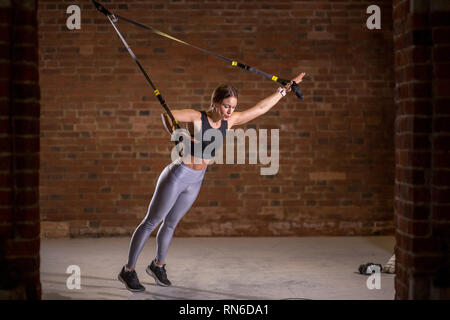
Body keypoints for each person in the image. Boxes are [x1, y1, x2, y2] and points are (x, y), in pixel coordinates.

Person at [118, 72, 306, 292]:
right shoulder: (198, 117)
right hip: (178, 174)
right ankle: (128, 270)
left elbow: (260, 109)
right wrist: (178, 133)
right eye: (226, 106)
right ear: (216, 103)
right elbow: (167, 114)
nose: (230, 111)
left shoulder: (231, 120)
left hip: (197, 179)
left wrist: (284, 90)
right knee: (152, 221)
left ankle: (157, 265)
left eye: (233, 107)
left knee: (171, 223)